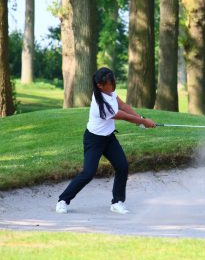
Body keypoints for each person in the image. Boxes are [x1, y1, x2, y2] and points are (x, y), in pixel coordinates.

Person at [56, 67, 156, 214]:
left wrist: (141, 120)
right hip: (94, 140)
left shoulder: (109, 91)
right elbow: (122, 115)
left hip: (109, 138)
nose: (113, 85)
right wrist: (143, 121)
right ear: (100, 85)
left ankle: (117, 202)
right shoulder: (100, 105)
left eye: (113, 81)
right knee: (89, 172)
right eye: (110, 83)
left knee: (122, 166)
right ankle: (63, 200)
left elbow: (123, 105)